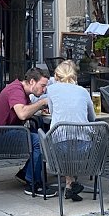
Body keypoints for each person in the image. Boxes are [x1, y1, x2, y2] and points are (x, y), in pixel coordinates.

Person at [0, 68, 54, 197]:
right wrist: (42, 102)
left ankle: (25, 173)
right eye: (42, 86)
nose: (44, 90)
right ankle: (33, 184)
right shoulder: (16, 90)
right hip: (0, 136)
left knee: (42, 132)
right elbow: (22, 114)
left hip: (4, 131)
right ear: (32, 82)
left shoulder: (20, 89)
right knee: (39, 141)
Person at [44, 60, 94, 201]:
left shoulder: (51, 90)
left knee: (60, 139)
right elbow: (92, 117)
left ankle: (70, 183)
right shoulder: (83, 91)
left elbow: (52, 112)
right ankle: (71, 184)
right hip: (85, 147)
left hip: (59, 147)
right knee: (74, 141)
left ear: (56, 76)